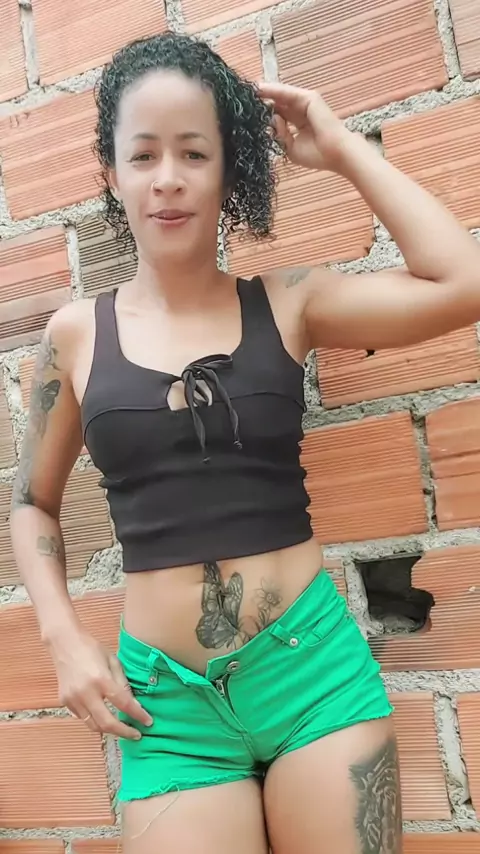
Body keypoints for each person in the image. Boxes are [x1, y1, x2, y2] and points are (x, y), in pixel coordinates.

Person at [9, 31, 480, 854]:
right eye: (143, 154)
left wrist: (342, 150)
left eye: (195, 153)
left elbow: (463, 283)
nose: (168, 177)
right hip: (166, 708)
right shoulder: (76, 337)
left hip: (312, 679)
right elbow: (31, 505)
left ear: (229, 170)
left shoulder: (290, 303)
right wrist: (63, 638)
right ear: (112, 172)